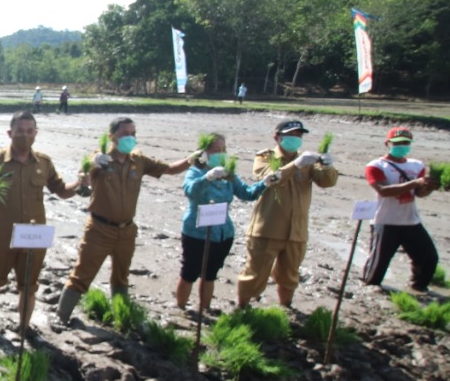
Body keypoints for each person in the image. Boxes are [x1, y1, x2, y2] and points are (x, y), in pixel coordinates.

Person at [55, 116, 197, 322]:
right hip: (99, 229)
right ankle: (61, 317)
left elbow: (169, 169)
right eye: (125, 134)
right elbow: (84, 174)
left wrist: (192, 159)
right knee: (82, 275)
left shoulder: (138, 160)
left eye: (133, 134)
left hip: (127, 230)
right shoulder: (101, 158)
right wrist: (91, 165)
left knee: (121, 276)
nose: (130, 138)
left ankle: (121, 314)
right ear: (112, 136)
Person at [0, 111, 82, 334]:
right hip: (2, 236)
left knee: (29, 288)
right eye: (20, 131)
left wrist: (81, 182)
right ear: (10, 133)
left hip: (33, 236)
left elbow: (61, 191)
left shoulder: (43, 162)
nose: (25, 135)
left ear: (36, 133)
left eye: (29, 131)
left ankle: (23, 328)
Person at [236, 119, 338, 309]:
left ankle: (286, 307)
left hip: (296, 231)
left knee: (290, 274)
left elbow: (326, 182)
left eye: (298, 136)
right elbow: (271, 178)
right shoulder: (267, 157)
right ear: (277, 137)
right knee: (255, 273)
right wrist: (295, 165)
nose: (295, 139)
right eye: (291, 135)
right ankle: (243, 307)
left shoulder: (308, 161)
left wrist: (327, 166)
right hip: (267, 229)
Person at [177, 135, 276, 314]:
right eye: (215, 150)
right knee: (189, 273)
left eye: (223, 149)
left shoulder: (229, 174)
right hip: (196, 232)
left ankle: (204, 309)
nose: (221, 153)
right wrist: (207, 178)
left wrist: (264, 183)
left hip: (222, 232)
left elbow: (247, 193)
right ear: (204, 153)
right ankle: (181, 309)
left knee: (210, 275)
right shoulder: (195, 172)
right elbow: (191, 192)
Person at [360, 127, 440, 292]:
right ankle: (369, 288)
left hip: (411, 221)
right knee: (378, 265)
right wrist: (415, 183)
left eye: (405, 143)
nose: (401, 146)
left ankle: (418, 288)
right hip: (386, 222)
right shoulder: (376, 166)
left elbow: (419, 193)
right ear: (387, 144)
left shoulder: (417, 165)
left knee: (428, 258)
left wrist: (430, 187)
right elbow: (384, 191)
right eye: (397, 143)